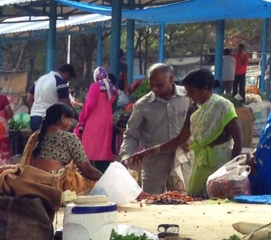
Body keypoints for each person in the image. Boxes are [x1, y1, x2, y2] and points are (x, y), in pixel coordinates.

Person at [128, 68, 242, 197]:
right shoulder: (193, 109)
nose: (188, 95)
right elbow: (180, 139)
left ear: (205, 89)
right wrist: (148, 152)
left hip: (221, 165)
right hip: (200, 165)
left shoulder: (223, 106)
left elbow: (238, 139)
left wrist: (232, 169)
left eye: (191, 92)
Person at [119, 63, 190, 194]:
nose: (155, 89)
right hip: (154, 162)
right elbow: (131, 134)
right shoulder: (142, 105)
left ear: (171, 79)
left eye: (160, 85)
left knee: (185, 201)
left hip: (184, 158)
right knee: (151, 203)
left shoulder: (189, 97)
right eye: (152, 85)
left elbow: (199, 125)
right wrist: (126, 156)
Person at [23, 103, 102, 185]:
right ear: (62, 118)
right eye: (70, 120)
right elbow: (88, 171)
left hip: (31, 181)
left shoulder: (35, 136)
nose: (70, 124)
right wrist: (106, 178)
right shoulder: (69, 138)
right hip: (53, 184)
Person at [76, 67, 117, 170]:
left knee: (89, 149)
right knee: (103, 149)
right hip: (107, 122)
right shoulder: (113, 89)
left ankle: (87, 175)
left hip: (94, 123)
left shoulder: (96, 87)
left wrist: (81, 119)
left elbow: (89, 105)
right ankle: (103, 176)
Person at [27, 63, 75, 132]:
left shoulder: (40, 79)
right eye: (68, 79)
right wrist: (76, 116)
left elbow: (29, 99)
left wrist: (37, 109)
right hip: (49, 121)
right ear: (66, 74)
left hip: (34, 118)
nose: (67, 82)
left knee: (38, 142)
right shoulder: (60, 83)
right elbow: (65, 105)